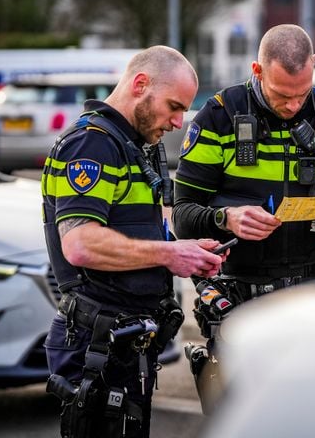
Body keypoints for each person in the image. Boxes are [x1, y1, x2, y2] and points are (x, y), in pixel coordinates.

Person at [172, 24, 315, 410]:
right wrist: (226, 218)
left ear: (314, 66)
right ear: (257, 71)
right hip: (244, 298)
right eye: (281, 95)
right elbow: (183, 216)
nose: (292, 106)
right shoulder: (219, 117)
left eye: (301, 94)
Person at [41, 45, 227, 438]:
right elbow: (79, 243)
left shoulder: (136, 146)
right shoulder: (91, 145)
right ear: (140, 84)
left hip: (124, 345)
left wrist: (190, 252)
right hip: (97, 345)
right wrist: (170, 254)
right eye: (174, 106)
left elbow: (143, 229)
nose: (179, 121)